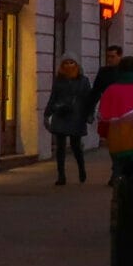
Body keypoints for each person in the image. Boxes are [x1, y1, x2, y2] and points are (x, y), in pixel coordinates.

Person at [43, 57, 92, 185]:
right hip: (61, 114)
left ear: (77, 64)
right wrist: (47, 115)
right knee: (60, 147)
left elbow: (89, 100)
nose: (69, 65)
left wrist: (89, 114)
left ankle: (81, 169)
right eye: (66, 63)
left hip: (76, 116)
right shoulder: (59, 81)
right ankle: (61, 176)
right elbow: (53, 98)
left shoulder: (83, 81)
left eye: (71, 62)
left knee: (76, 146)